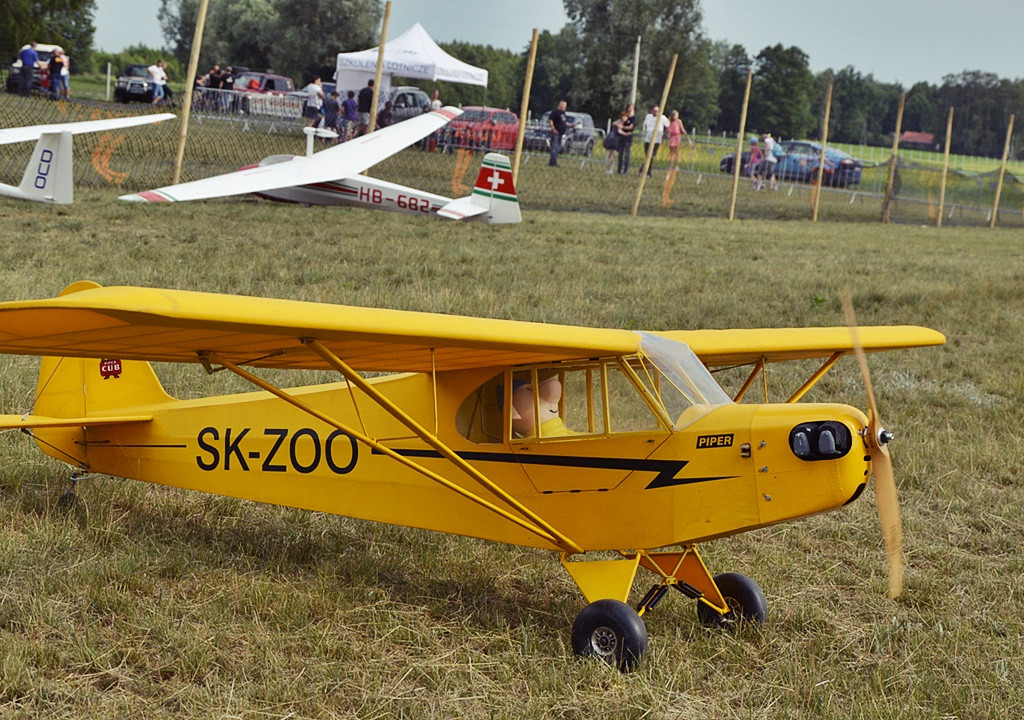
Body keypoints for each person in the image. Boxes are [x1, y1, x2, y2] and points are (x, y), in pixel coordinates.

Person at [640, 105, 669, 177]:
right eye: (655, 111)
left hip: (656, 141)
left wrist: (665, 134)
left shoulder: (662, 118)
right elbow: (645, 125)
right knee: (648, 156)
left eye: (658, 111)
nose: (656, 112)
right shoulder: (648, 117)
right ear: (652, 111)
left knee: (651, 156)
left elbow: (668, 126)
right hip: (648, 140)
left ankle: (644, 171)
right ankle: (645, 171)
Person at [548, 99, 574, 167]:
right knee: (554, 147)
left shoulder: (563, 113)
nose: (565, 107)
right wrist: (553, 128)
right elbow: (550, 120)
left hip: (561, 133)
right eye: (564, 105)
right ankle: (552, 163)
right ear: (560, 105)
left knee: (558, 148)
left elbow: (564, 122)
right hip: (555, 133)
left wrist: (571, 125)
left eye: (565, 105)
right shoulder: (555, 112)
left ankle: (554, 162)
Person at [604, 109, 628, 173]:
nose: (625, 118)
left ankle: (608, 168)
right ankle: (608, 169)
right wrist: (626, 134)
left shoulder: (618, 122)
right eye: (624, 116)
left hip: (612, 138)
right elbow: (619, 131)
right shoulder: (619, 122)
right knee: (613, 155)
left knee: (610, 155)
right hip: (614, 139)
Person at [617, 103, 635, 174]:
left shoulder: (633, 118)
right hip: (621, 137)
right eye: (630, 107)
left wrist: (623, 127)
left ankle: (625, 170)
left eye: (632, 108)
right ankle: (619, 170)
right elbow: (618, 123)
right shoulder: (623, 115)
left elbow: (631, 127)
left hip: (628, 138)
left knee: (627, 154)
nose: (631, 109)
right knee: (620, 154)